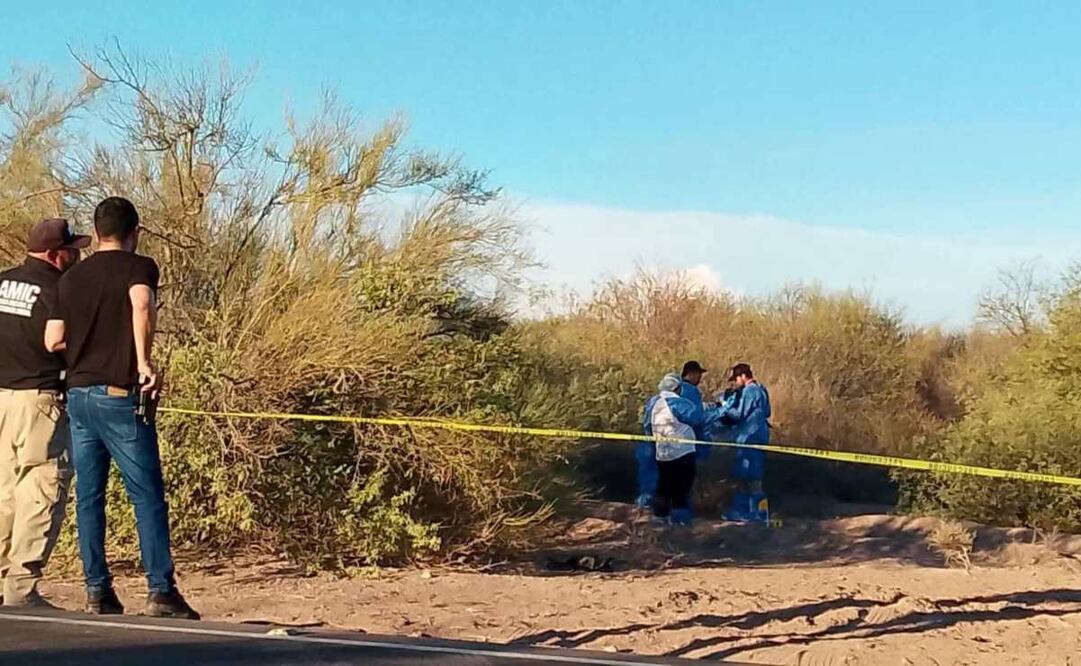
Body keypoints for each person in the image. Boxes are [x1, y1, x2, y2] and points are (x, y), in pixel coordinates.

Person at [47, 197, 199, 619]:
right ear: (136, 233)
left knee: (89, 496)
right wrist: (144, 361)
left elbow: (53, 339)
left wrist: (84, 344)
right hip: (118, 393)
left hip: (78, 394)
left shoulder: (72, 278)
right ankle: (160, 589)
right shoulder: (139, 267)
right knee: (146, 493)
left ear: (95, 233)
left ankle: (97, 590)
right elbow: (142, 304)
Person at [0, 219, 87, 607]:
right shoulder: (59, 289)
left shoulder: (2, 282)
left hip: (1, 397)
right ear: (56, 253)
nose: (78, 255)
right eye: (73, 249)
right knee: (42, 489)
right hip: (39, 400)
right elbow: (57, 339)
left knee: (4, 492)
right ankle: (21, 586)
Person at [642, 373, 707, 525]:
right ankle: (680, 521)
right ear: (677, 389)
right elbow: (698, 419)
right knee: (682, 486)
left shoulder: (653, 403)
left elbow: (647, 425)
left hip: (662, 453)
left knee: (664, 486)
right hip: (682, 451)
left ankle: (660, 518)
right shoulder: (678, 403)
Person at [716, 363, 772, 522]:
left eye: (736, 379)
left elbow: (739, 414)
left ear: (742, 376)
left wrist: (723, 405)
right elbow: (768, 412)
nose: (735, 383)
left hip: (749, 437)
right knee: (754, 476)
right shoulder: (762, 389)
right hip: (760, 435)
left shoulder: (749, 391)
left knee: (746, 476)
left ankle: (748, 513)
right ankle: (759, 514)